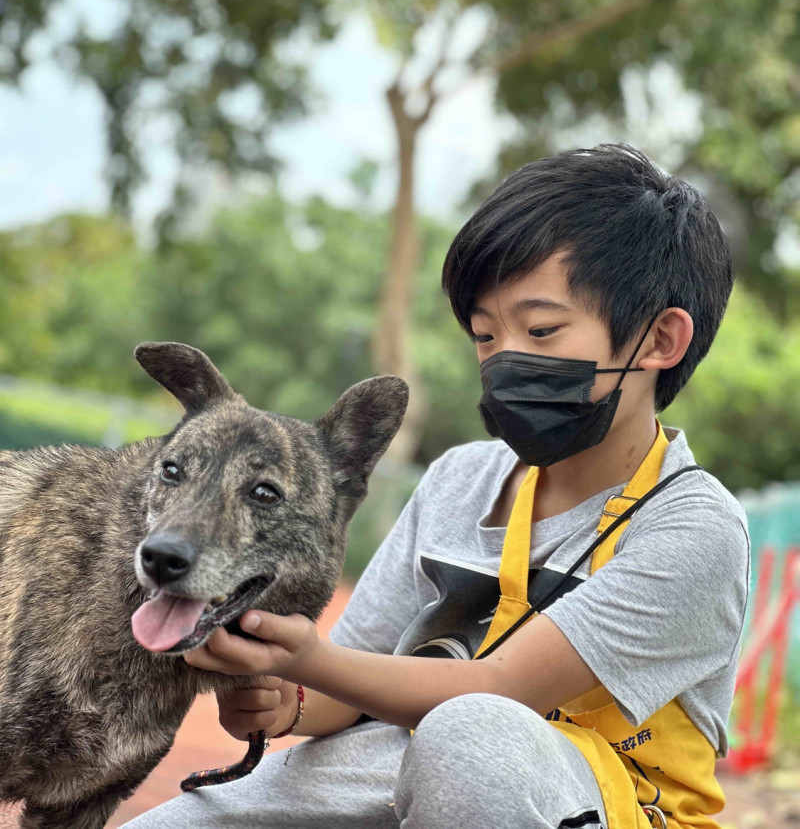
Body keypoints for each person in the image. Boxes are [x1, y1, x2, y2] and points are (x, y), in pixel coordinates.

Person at [122, 143, 750, 829]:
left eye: (541, 330)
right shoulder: (460, 478)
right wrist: (292, 699)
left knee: (472, 734)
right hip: (403, 762)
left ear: (659, 340)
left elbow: (496, 689)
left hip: (602, 800)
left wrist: (309, 656)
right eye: (485, 335)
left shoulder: (694, 529)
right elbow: (354, 679)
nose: (505, 359)